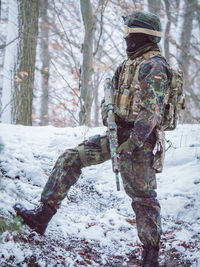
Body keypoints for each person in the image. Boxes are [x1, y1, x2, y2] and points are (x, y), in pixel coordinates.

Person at [14, 10, 172, 267]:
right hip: (115, 135)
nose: (125, 39)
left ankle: (151, 255)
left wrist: (131, 144)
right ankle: (42, 216)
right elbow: (110, 97)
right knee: (70, 158)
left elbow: (151, 114)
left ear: (142, 35)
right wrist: (107, 110)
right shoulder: (127, 64)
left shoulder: (153, 66)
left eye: (129, 34)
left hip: (139, 143)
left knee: (143, 199)